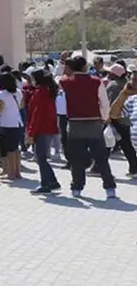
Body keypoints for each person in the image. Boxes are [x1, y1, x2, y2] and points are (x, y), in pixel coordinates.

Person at [59, 55, 115, 199]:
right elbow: (104, 103)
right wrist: (104, 118)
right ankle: (109, 188)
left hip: (74, 124)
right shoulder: (96, 81)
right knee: (101, 157)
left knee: (77, 159)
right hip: (94, 123)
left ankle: (77, 188)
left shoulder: (65, 82)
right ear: (85, 67)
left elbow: (59, 82)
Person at [25, 69, 62, 193]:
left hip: (41, 129)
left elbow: (37, 114)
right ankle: (52, 181)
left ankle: (45, 183)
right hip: (48, 127)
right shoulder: (48, 91)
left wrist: (31, 132)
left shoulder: (40, 92)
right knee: (42, 157)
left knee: (41, 158)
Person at [0, 72, 24, 180]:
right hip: (18, 123)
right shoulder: (19, 92)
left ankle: (10, 173)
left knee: (9, 150)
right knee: (16, 149)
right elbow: (21, 106)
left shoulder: (2, 94)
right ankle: (17, 172)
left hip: (7, 123)